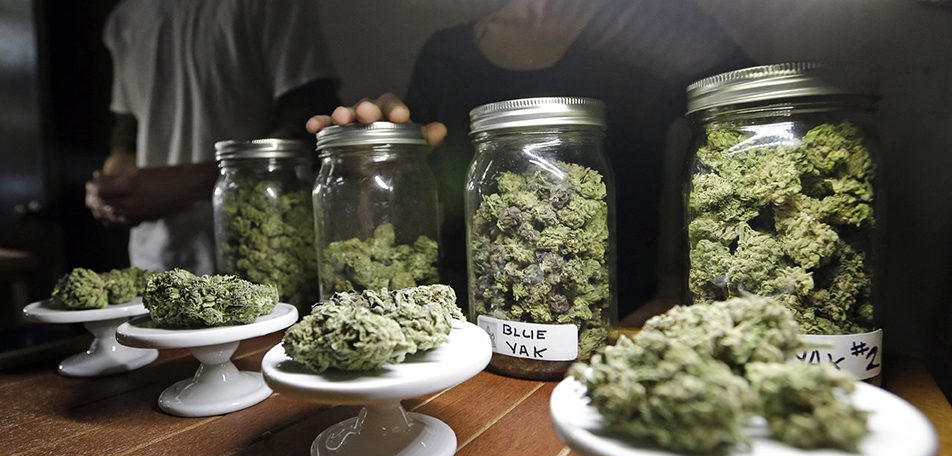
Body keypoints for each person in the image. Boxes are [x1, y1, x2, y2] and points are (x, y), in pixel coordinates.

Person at [309, 0, 754, 320]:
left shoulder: (654, 19)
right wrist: (379, 152)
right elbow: (425, 179)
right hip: (474, 320)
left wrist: (688, 293)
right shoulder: (444, 53)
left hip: (613, 320)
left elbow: (753, 125)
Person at [85, 0, 341, 275]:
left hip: (255, 256)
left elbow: (309, 124)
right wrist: (112, 190)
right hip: (154, 261)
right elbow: (128, 132)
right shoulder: (125, 17)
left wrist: (186, 183)